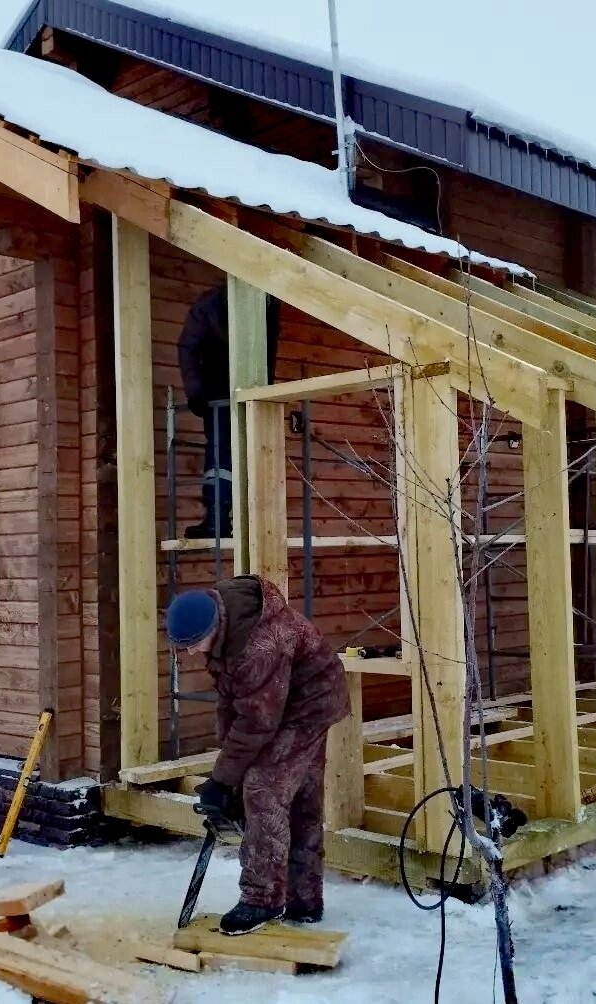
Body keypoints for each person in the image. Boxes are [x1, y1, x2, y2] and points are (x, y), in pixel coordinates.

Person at [165, 575, 350, 936]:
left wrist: (224, 779)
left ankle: (262, 900)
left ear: (212, 626)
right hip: (282, 702)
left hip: (308, 706)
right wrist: (225, 770)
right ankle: (304, 900)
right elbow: (232, 699)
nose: (189, 653)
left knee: (263, 790)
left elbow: (257, 722)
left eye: (191, 645)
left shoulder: (259, 646)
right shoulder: (225, 625)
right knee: (296, 798)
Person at [177, 285, 280, 539]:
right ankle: (217, 518)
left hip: (251, 389)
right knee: (222, 451)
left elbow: (268, 348)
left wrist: (267, 390)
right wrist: (197, 392)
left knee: (248, 452)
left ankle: (243, 520)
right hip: (218, 389)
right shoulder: (212, 303)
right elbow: (188, 347)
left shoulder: (269, 301)